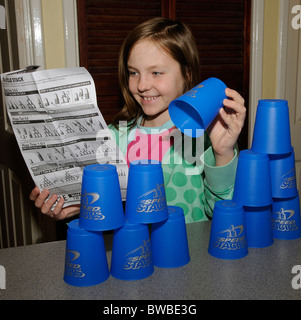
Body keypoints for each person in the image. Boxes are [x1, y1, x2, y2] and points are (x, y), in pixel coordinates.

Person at [30, 17, 246, 223]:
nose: (142, 85)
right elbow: (102, 209)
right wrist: (77, 208)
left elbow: (224, 213)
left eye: (156, 73)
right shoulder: (112, 137)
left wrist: (222, 154)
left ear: (187, 74)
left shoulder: (206, 137)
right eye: (133, 73)